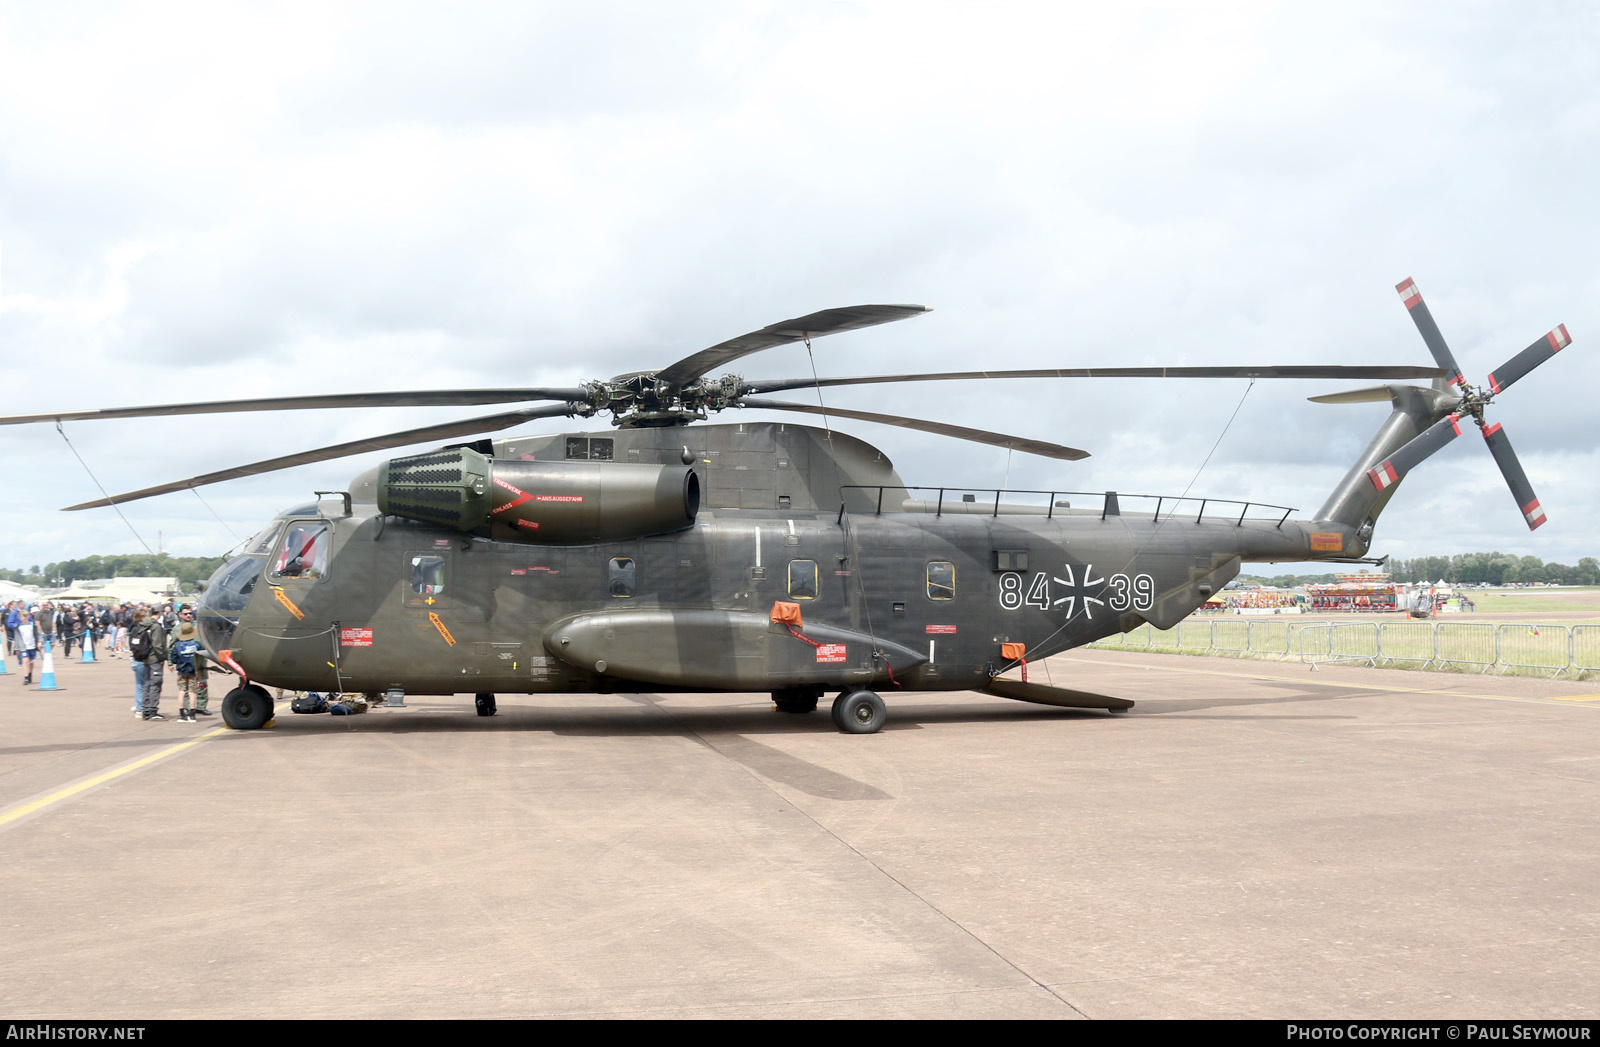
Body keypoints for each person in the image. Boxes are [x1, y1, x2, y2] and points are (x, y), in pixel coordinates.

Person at [168, 610, 210, 722]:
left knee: (183, 691)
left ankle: (183, 714)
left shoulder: (178, 645)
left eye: (190, 613)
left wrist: (174, 662)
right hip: (194, 668)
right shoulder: (195, 644)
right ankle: (192, 713)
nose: (188, 615)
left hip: (182, 670)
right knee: (192, 692)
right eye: (186, 613)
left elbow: (173, 655)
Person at [129, 608, 168, 721]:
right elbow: (157, 644)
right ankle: (152, 710)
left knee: (146, 684)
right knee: (155, 684)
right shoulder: (155, 626)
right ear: (159, 612)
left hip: (145, 658)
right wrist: (162, 657)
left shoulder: (142, 625)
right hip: (154, 658)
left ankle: (145, 709)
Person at [14, 608, 40, 685]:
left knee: (31, 661)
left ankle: (30, 674)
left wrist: (39, 642)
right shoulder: (18, 627)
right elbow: (17, 638)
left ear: (28, 616)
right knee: (25, 660)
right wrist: (17, 647)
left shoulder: (32, 625)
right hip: (23, 647)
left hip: (32, 646)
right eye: (22, 616)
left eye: (25, 616)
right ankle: (25, 677)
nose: (24, 618)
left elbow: (37, 634)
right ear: (20, 617)